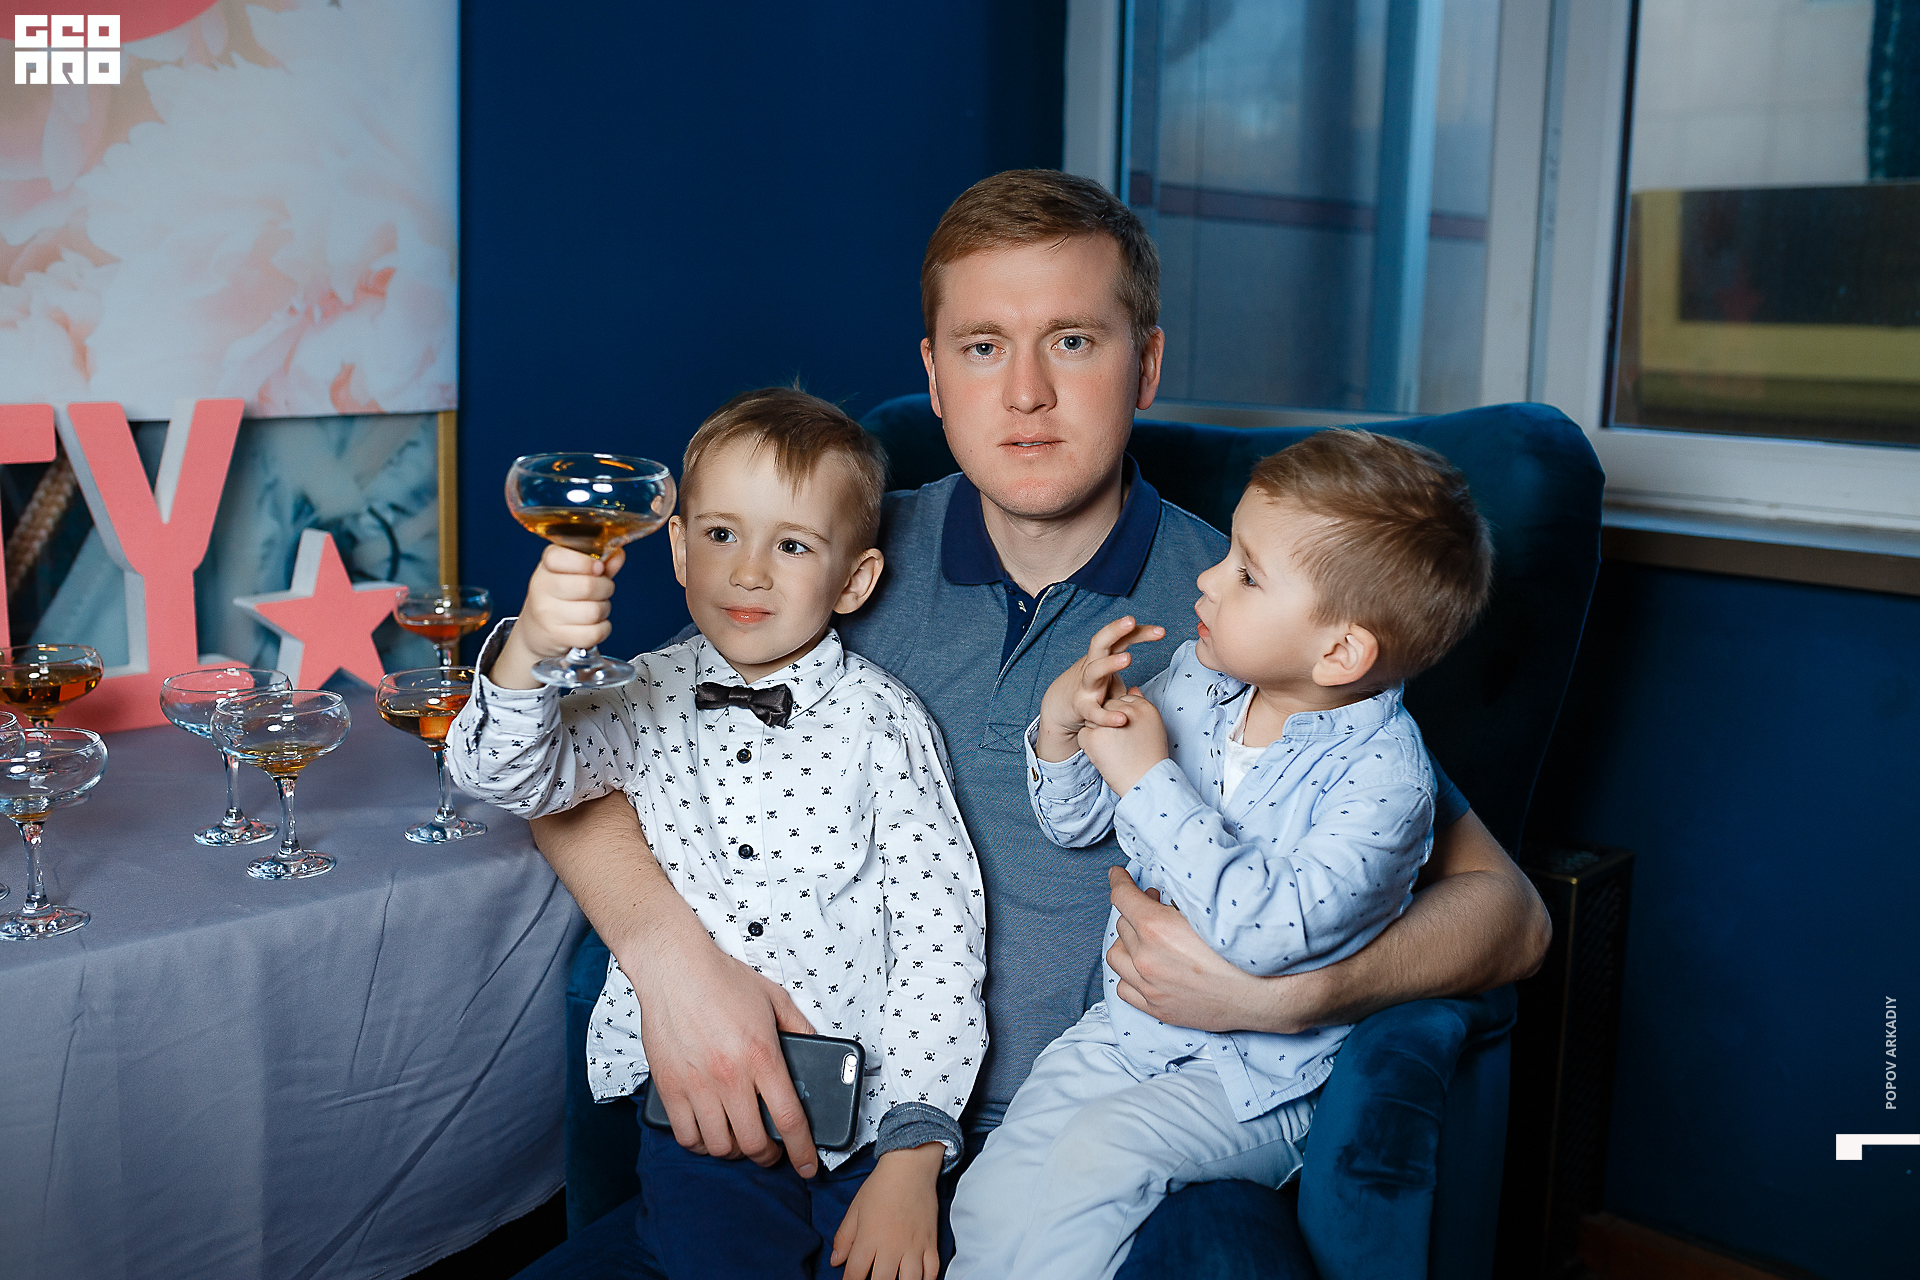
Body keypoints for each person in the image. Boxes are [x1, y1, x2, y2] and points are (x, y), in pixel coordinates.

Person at [521, 169, 1550, 1277]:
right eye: (982, 347)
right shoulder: (817, 554)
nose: (1024, 394)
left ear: (1144, 364)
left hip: (1108, 1135)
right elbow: (577, 756)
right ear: (933, 372)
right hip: (823, 1135)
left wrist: (1293, 992)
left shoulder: (1252, 610)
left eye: (1071, 341)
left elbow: (1513, 915)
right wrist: (670, 961)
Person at [448, 389, 986, 1280]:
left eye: (792, 545)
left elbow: (941, 936)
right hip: (706, 1116)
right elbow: (509, 779)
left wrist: (913, 1150)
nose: (749, 573)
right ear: (677, 548)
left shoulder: (886, 726)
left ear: (855, 580)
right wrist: (531, 651)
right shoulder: (634, 693)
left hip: (868, 1121)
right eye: (722, 534)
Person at [947, 430, 1493, 1279]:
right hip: (1126, 1033)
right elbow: (1078, 821)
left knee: (1098, 1161)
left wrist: (1149, 778)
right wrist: (1064, 728)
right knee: (996, 1189)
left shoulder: (1387, 784)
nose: (1208, 577)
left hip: (1259, 1081)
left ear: (1340, 651)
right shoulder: (1201, 685)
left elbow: (1266, 934)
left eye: (1246, 574)